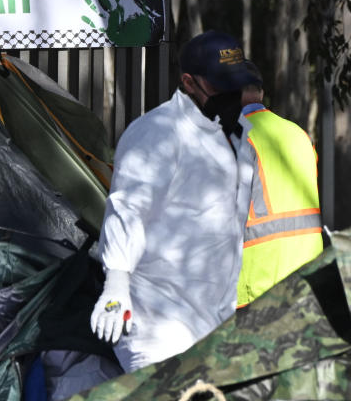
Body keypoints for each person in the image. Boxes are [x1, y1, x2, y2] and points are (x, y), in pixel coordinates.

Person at [89, 30, 258, 372]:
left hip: (210, 321)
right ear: (188, 82)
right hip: (157, 325)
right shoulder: (159, 132)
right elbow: (128, 209)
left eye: (235, 84)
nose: (231, 94)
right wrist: (116, 282)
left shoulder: (232, 136)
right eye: (220, 85)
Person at [236, 63, 323, 307]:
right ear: (261, 94)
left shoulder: (236, 138)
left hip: (260, 277)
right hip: (309, 271)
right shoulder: (300, 135)